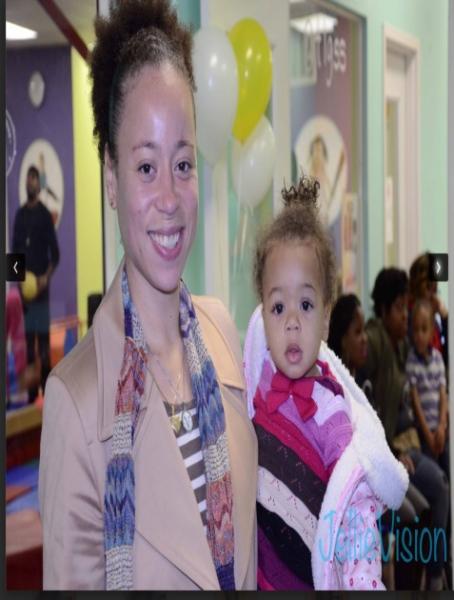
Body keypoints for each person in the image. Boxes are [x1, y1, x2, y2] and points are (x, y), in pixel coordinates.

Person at [38, 0, 257, 590]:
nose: (169, 197)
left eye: (182, 164)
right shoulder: (76, 402)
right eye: (145, 168)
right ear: (111, 178)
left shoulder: (222, 338)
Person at [243, 175, 408, 590]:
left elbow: (355, 512)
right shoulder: (256, 385)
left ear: (326, 317)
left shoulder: (332, 413)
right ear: (262, 313)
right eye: (278, 306)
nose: (292, 322)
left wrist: (363, 583)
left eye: (305, 304)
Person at [328, 292, 431, 590]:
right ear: (342, 339)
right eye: (357, 333)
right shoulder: (338, 388)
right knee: (410, 519)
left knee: (423, 511)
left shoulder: (363, 382)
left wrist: (395, 454)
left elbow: (377, 436)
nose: (365, 341)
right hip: (362, 483)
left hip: (380, 469)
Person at [363, 267, 449, 591]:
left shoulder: (401, 346)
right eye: (399, 308)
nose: (405, 316)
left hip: (400, 447)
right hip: (385, 456)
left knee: (436, 493)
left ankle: (434, 575)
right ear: (384, 310)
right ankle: (432, 577)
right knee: (422, 506)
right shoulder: (375, 340)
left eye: (405, 308)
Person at [12, 164, 60, 403]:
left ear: (38, 185)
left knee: (43, 349)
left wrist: (44, 278)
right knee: (29, 350)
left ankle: (49, 400)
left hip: (41, 295)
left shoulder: (44, 215)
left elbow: (56, 255)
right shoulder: (19, 216)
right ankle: (32, 403)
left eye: (34, 178)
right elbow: (13, 257)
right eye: (28, 178)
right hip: (25, 298)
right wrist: (20, 284)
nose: (30, 181)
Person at [406, 298, 449, 478]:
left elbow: (443, 394)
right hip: (424, 435)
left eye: (424, 329)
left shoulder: (438, 358)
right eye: (415, 329)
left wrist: (442, 426)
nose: (419, 335)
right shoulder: (411, 361)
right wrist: (429, 436)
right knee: (436, 475)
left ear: (432, 331)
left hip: (441, 431)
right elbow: (415, 402)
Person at [409, 252, 449, 370]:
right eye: (428, 287)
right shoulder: (410, 317)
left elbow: (445, 358)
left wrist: (445, 319)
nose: (433, 295)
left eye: (435, 288)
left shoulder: (434, 319)